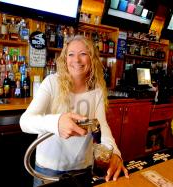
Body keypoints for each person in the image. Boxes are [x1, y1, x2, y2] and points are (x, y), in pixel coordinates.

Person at [20, 35, 129, 186]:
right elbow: (25, 121)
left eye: (83, 54)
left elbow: (101, 125)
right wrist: (56, 122)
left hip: (82, 168)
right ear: (65, 59)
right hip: (49, 168)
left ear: (92, 59)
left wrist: (115, 152)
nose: (76, 60)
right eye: (71, 54)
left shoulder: (96, 89)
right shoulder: (51, 83)